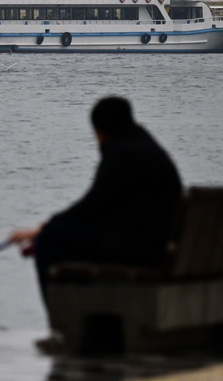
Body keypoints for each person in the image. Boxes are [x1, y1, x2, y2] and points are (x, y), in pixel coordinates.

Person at [9, 96, 183, 304]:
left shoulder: (123, 154)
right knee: (59, 234)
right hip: (159, 242)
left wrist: (43, 229)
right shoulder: (144, 145)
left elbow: (95, 205)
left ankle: (65, 322)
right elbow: (106, 206)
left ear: (99, 130)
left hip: (144, 249)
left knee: (50, 241)